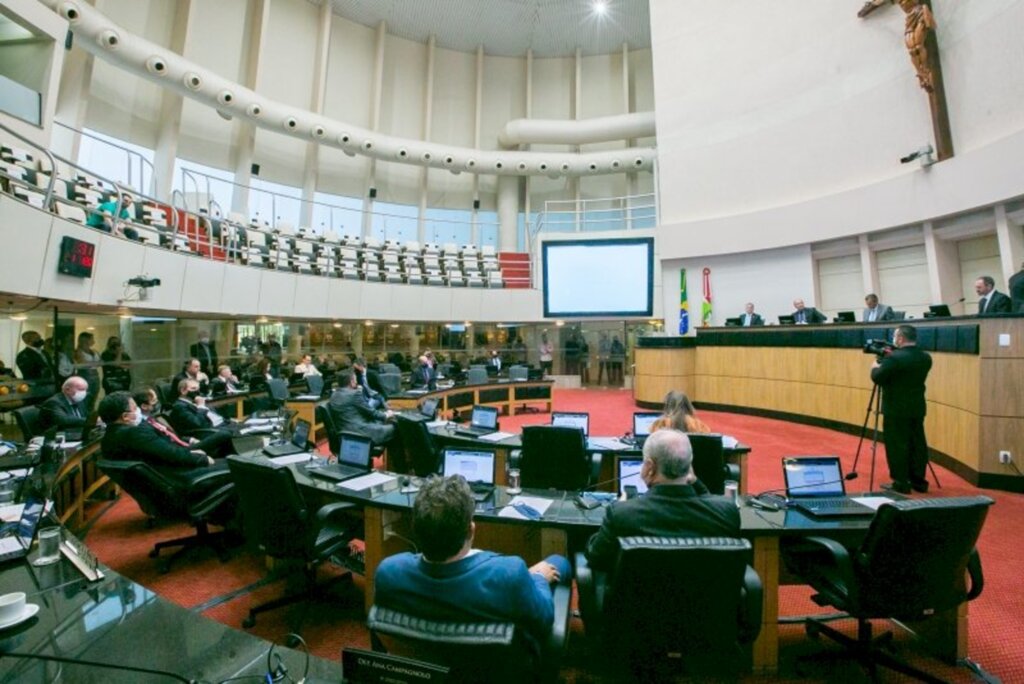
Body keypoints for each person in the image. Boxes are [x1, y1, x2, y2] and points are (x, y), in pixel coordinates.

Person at [374, 475, 570, 648]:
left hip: (426, 668)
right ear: (471, 530)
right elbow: (544, 620)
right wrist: (537, 578)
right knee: (559, 562)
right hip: (496, 673)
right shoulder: (511, 574)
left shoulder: (388, 572)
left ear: (415, 528)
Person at [584, 429, 740, 574]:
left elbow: (596, 558)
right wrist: (695, 481)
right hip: (706, 603)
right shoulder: (727, 511)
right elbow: (710, 502)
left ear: (650, 467)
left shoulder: (622, 514)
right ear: (689, 467)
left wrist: (620, 509)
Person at [99, 391, 223, 488]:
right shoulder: (134, 433)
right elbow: (171, 455)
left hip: (162, 483)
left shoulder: (108, 438)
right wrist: (201, 459)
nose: (138, 411)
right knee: (236, 466)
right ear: (125, 417)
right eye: (135, 407)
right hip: (181, 480)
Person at [870, 324, 932, 494]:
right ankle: (918, 480)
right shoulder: (925, 357)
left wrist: (875, 365)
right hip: (917, 407)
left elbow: (878, 377)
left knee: (897, 445)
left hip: (895, 408)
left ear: (900, 338)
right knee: (917, 443)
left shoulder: (894, 358)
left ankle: (901, 482)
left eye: (895, 336)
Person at [134, 388, 230, 458]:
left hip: (185, 443)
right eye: (154, 400)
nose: (158, 402)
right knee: (224, 434)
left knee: (224, 443)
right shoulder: (143, 426)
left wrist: (190, 439)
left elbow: (173, 435)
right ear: (144, 406)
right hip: (179, 451)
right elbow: (164, 444)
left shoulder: (156, 418)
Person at [166, 378, 235, 457]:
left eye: (198, 389)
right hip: (205, 432)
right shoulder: (180, 406)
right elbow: (197, 423)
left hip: (219, 425)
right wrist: (201, 407)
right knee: (234, 432)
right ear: (183, 391)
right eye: (193, 389)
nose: (197, 392)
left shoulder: (192, 402)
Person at [328, 369, 395, 445]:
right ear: (351, 382)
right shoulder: (354, 394)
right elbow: (371, 412)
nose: (356, 382)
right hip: (359, 432)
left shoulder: (334, 395)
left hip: (344, 432)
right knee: (394, 428)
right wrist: (386, 415)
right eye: (355, 380)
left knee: (380, 422)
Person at [73, 331, 101, 413]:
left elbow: (101, 362)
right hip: (85, 375)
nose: (93, 341)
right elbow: (83, 363)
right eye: (91, 339)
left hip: (95, 375)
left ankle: (91, 415)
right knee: (85, 397)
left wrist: (90, 364)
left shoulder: (94, 351)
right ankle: (83, 415)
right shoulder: (78, 351)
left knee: (94, 397)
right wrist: (93, 364)